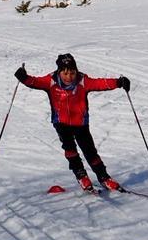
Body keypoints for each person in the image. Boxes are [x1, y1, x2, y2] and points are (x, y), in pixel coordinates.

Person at [14, 54, 132, 192]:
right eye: (65, 73)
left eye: (72, 72)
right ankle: (81, 175)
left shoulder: (83, 81)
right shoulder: (50, 81)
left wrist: (118, 82)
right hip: (61, 123)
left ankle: (103, 177)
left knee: (90, 151)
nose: (69, 76)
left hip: (80, 123)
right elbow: (33, 81)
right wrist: (23, 77)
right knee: (70, 150)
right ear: (59, 71)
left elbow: (100, 83)